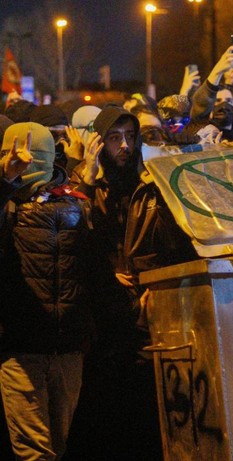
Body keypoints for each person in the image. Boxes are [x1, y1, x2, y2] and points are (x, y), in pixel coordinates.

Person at [67, 107, 162, 460]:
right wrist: (87, 181)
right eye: (115, 137)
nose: (124, 145)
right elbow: (75, 236)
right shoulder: (85, 185)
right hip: (102, 315)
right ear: (99, 142)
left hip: (142, 306)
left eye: (130, 137)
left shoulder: (147, 183)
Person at [0, 122, 94, 460]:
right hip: (21, 349)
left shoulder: (77, 203)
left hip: (67, 349)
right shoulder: (8, 206)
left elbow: (93, 269)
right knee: (34, 452)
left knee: (57, 446)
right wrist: (6, 184)